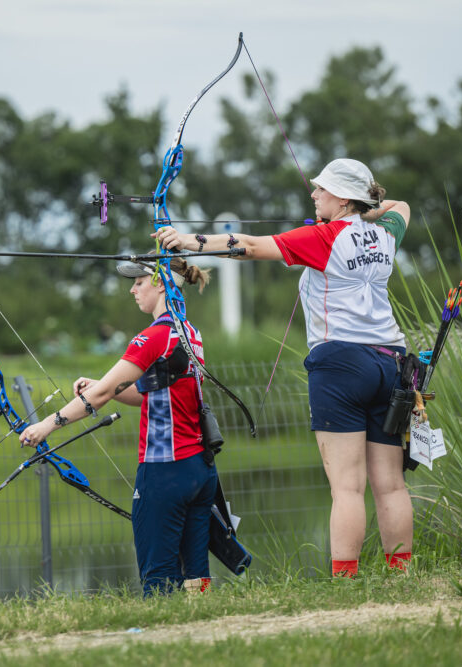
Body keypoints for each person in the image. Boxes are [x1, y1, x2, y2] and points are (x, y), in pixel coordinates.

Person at [154, 158, 413, 577]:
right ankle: (403, 576)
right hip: (391, 363)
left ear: (344, 197)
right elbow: (400, 206)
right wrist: (367, 209)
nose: (314, 194)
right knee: (391, 483)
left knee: (347, 487)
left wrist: (186, 241)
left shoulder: (326, 237)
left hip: (341, 364)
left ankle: (346, 583)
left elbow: (251, 247)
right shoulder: (384, 234)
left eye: (322, 190)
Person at [19, 258, 218, 595]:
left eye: (138, 282)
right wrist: (103, 386)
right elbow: (148, 397)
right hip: (200, 469)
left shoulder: (152, 337)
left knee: (158, 579)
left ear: (158, 283)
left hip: (163, 471)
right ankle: (201, 627)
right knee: (196, 574)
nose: (132, 289)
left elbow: (101, 395)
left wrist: (46, 426)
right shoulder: (190, 333)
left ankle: (161, 637)